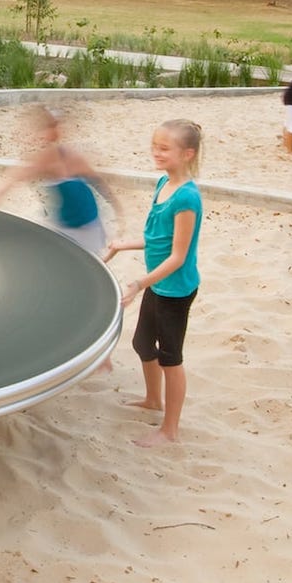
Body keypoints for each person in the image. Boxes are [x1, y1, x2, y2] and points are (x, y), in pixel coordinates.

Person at [104, 119, 204, 447]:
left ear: (187, 154)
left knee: (170, 358)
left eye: (164, 148)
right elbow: (158, 238)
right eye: (154, 147)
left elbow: (177, 256)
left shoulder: (187, 198)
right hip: (158, 284)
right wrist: (124, 245)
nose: (156, 153)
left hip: (176, 290)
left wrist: (139, 283)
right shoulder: (164, 183)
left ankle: (169, 430)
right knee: (143, 344)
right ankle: (152, 400)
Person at [0, 104, 122, 257]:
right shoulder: (39, 161)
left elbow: (100, 182)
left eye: (51, 128)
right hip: (64, 225)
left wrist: (119, 212)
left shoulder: (71, 157)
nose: (43, 136)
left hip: (87, 225)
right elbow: (2, 188)